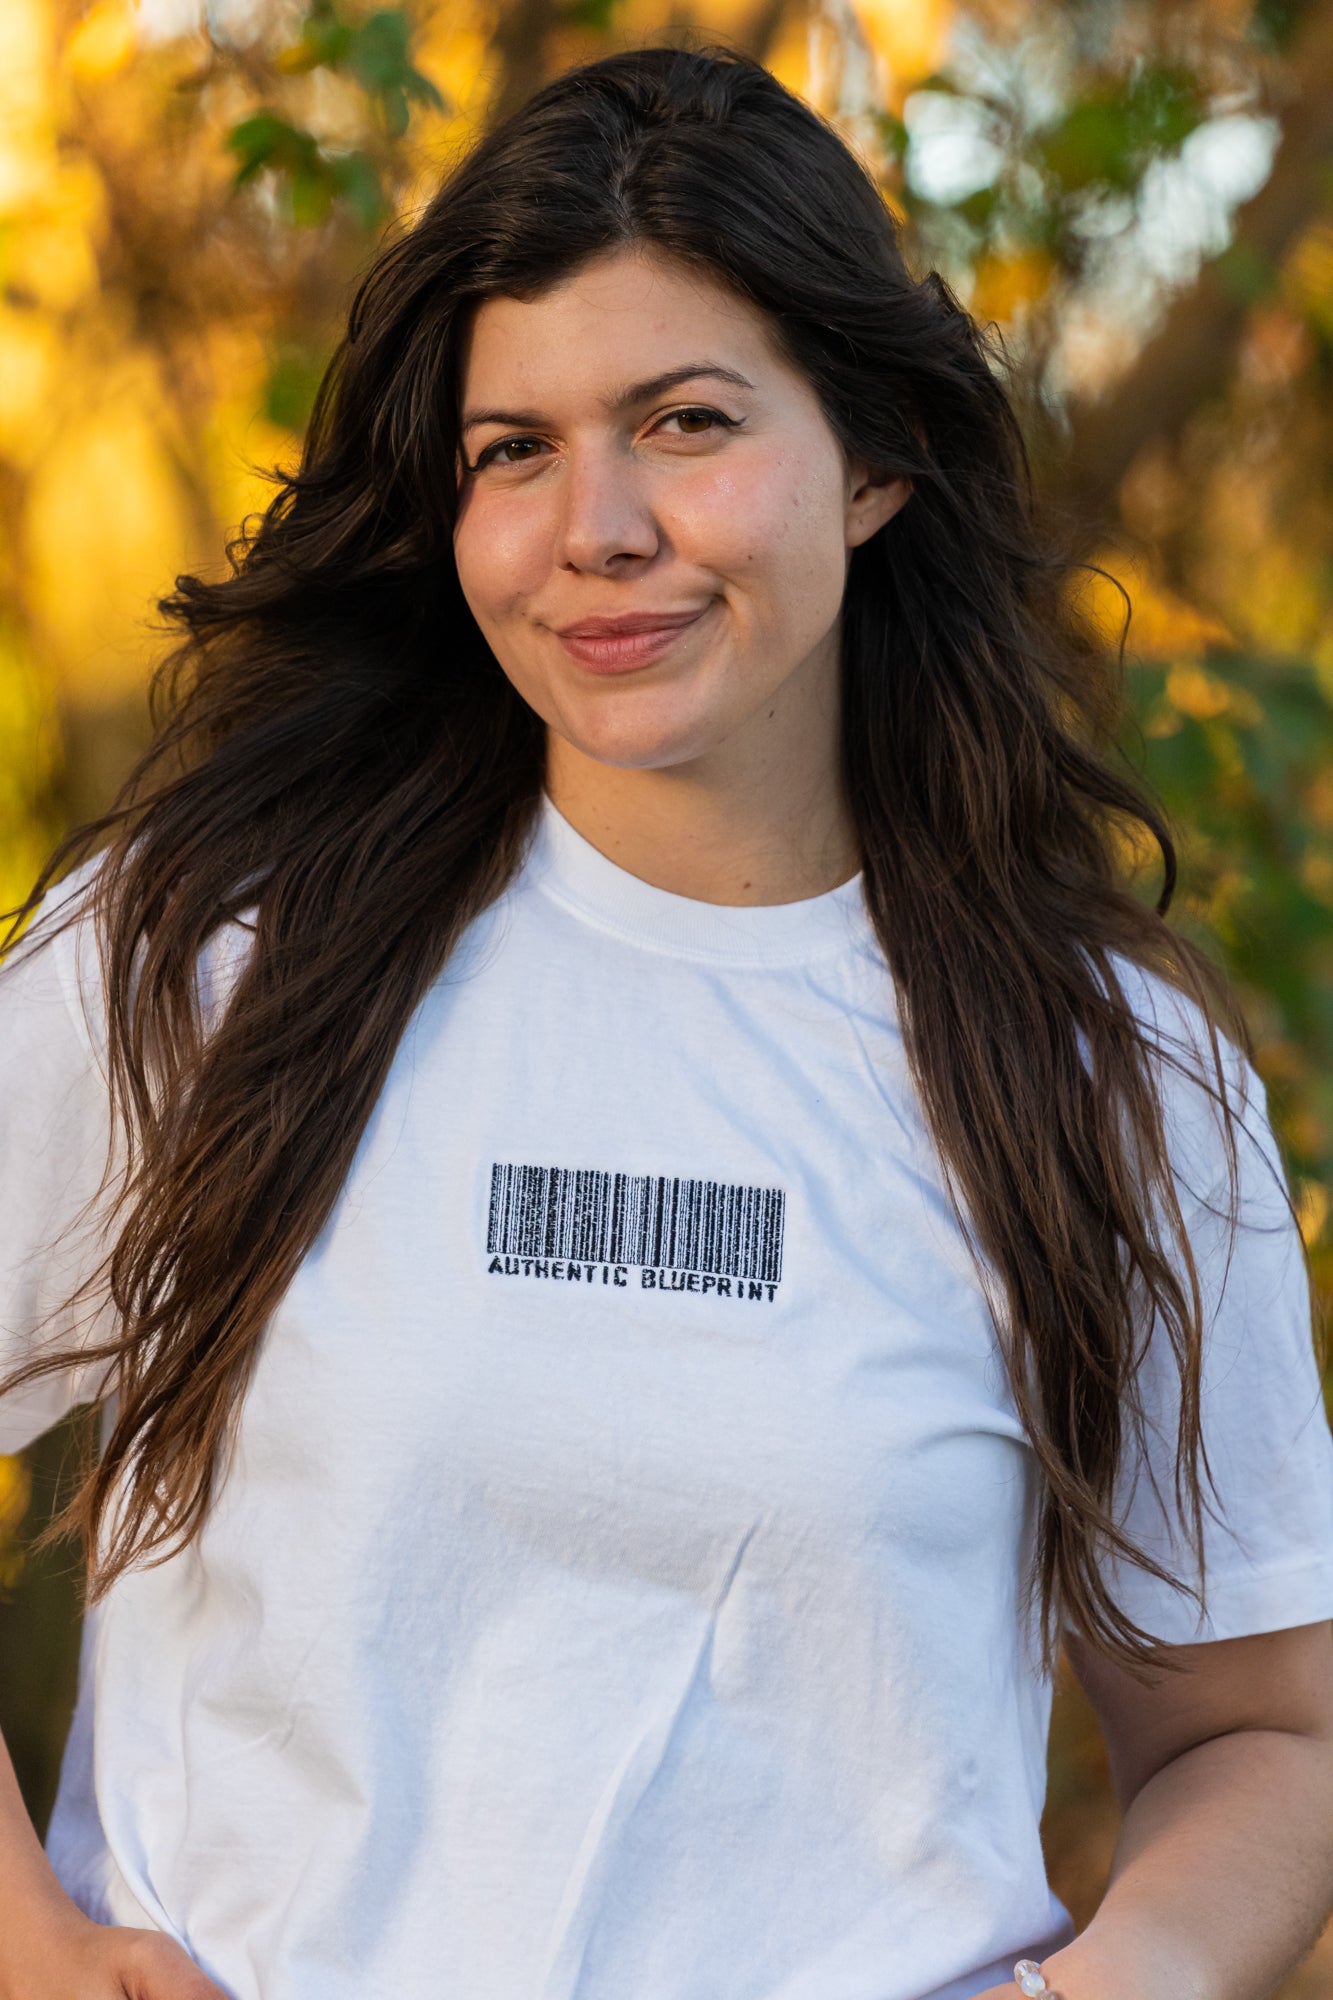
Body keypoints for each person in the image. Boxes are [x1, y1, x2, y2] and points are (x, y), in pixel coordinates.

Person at [0, 43, 1330, 2000]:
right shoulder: (211, 959)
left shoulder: (1099, 1068)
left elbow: (1264, 1731)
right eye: (512, 449)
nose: (594, 527)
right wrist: (29, 1947)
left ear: (874, 460)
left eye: (685, 421)